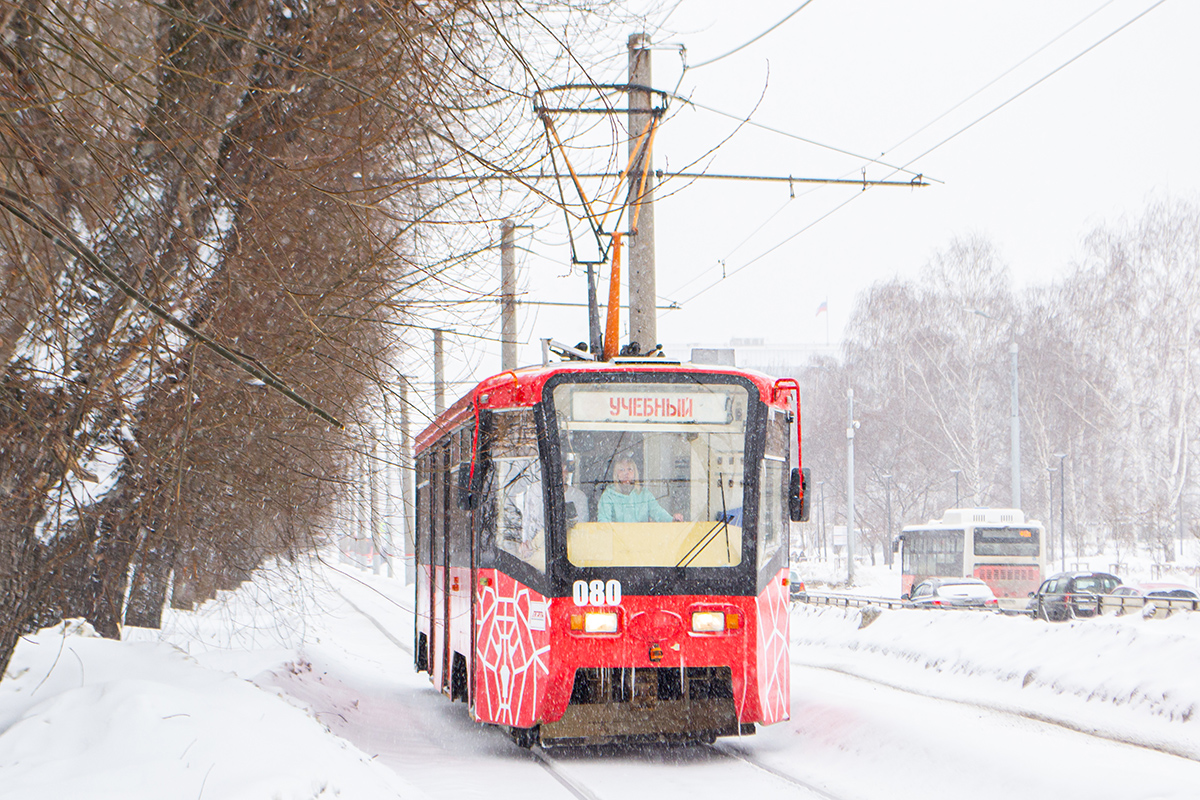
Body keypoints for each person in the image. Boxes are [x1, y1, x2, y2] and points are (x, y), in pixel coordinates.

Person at [597, 457, 684, 523]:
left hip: (641, 542)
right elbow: (604, 522)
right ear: (616, 474)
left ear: (635, 473)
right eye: (621, 470)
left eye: (629, 469)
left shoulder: (644, 495)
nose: (626, 473)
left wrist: (672, 519)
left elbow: (657, 512)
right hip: (617, 543)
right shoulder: (608, 495)